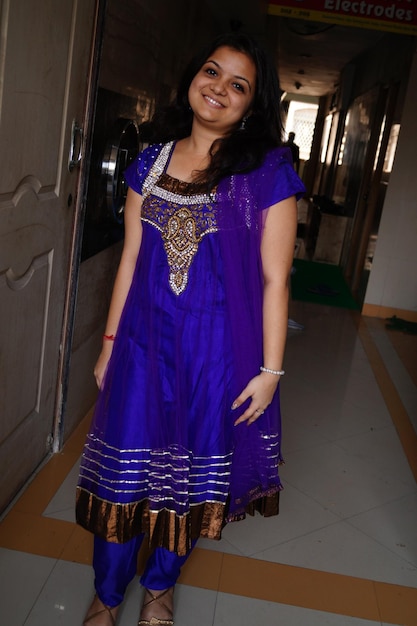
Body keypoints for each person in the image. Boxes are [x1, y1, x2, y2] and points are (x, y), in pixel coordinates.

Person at [76, 32, 305, 626]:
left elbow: (276, 280)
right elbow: (128, 261)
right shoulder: (147, 163)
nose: (219, 88)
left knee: (188, 478)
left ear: (252, 106)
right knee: (124, 473)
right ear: (191, 78)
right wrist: (107, 345)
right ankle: (107, 592)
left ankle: (159, 587)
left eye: (239, 84)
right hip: (141, 349)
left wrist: (270, 373)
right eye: (212, 71)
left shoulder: (265, 174)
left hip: (217, 359)